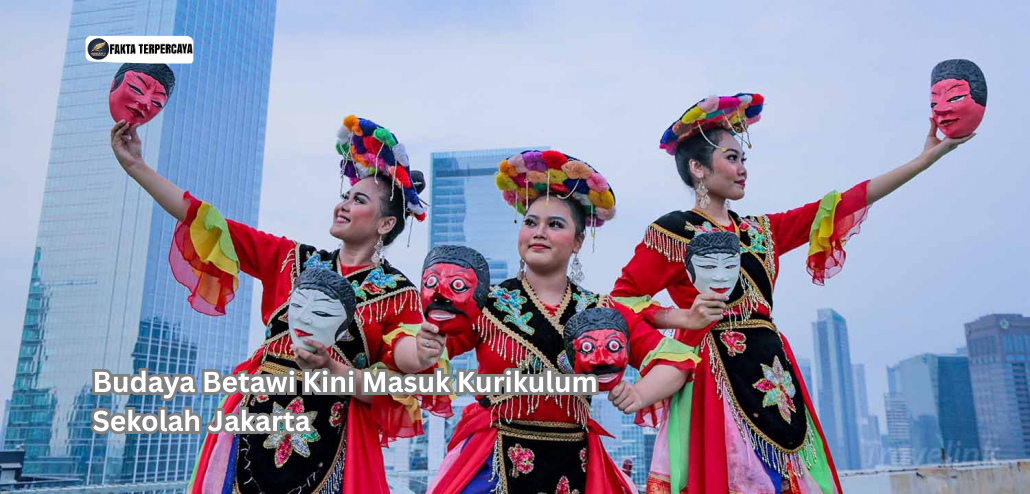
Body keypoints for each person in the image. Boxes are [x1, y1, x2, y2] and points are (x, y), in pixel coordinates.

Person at [611, 93, 975, 493]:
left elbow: (840, 204)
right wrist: (681, 318)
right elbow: (621, 300)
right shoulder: (673, 232)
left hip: (773, 370)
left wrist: (925, 159)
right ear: (698, 167)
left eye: (743, 159)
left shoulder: (760, 231)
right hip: (714, 371)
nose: (742, 169)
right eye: (731, 158)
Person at [110, 114, 450, 493]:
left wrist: (419, 353)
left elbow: (391, 378)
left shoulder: (397, 292)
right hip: (254, 422)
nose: (342, 205)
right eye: (345, 196)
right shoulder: (292, 260)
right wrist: (136, 167)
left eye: (358, 200)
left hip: (332, 435)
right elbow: (208, 221)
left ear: (385, 224)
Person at [428, 150, 699, 494]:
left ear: (578, 242)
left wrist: (638, 393)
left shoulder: (601, 311)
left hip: (575, 463)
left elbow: (676, 360)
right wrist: (424, 346)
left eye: (555, 225)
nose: (539, 232)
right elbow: (429, 351)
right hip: (495, 461)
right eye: (531, 222)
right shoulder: (484, 304)